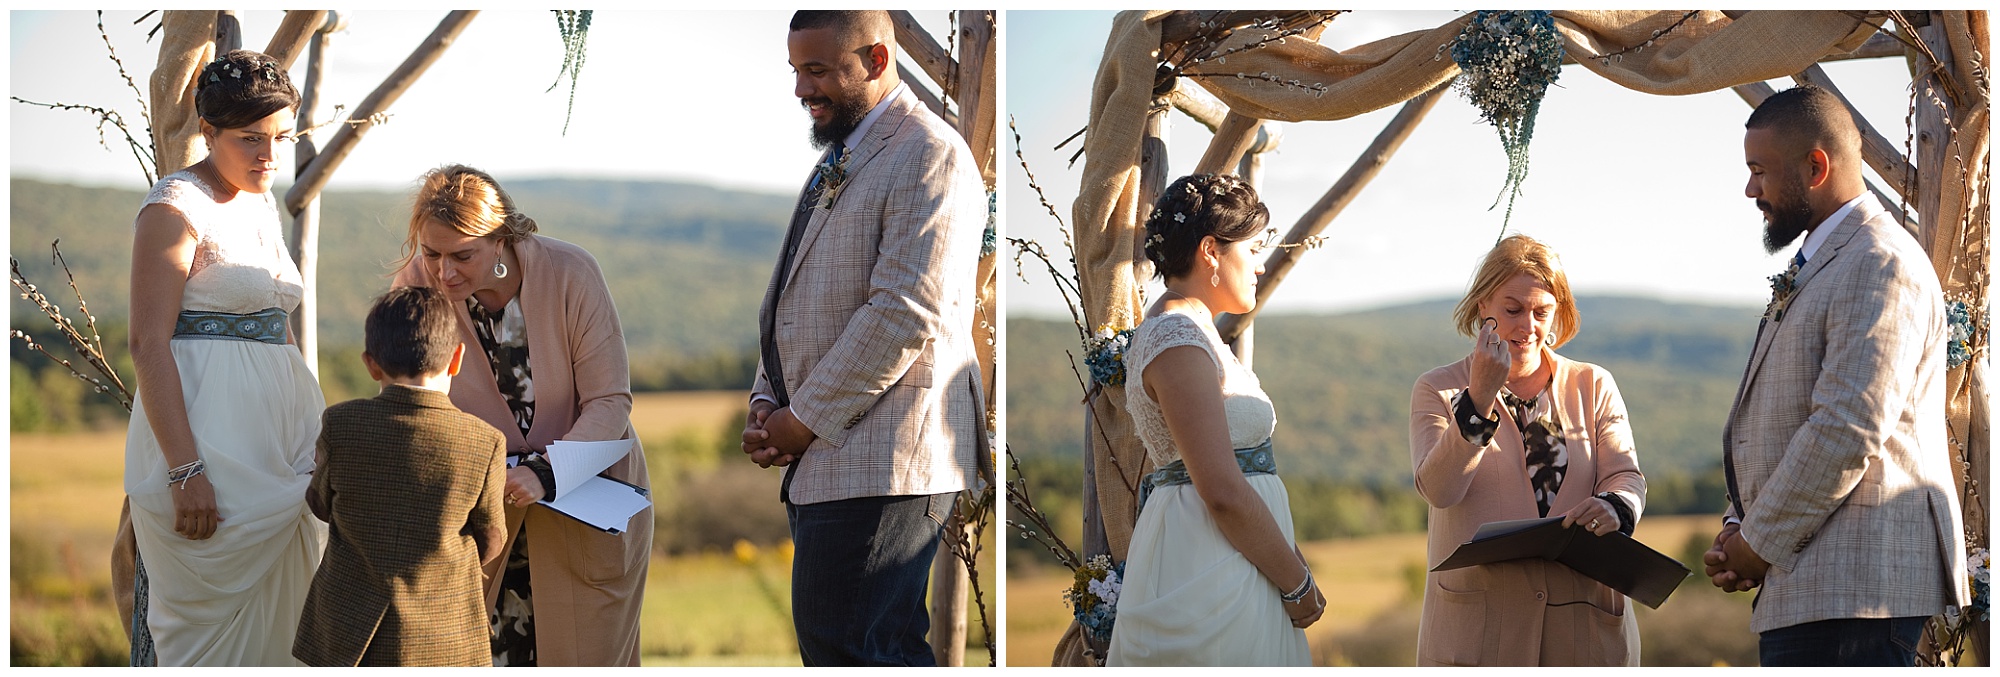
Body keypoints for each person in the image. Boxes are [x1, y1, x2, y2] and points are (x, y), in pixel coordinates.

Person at [737, 10, 986, 666]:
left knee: (845, 648)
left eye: (817, 70)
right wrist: (766, 401)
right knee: (883, 649)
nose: (800, 89)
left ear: (877, 61)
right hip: (834, 457)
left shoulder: (930, 155)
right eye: (796, 70)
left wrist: (802, 419)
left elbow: (904, 312)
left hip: (887, 458)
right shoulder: (845, 156)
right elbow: (796, 294)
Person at [1704, 84, 1968, 666]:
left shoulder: (1879, 262)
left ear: (1815, 166)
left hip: (1858, 594)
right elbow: (1780, 418)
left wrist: (1757, 543)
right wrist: (1736, 523)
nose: (1751, 190)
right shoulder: (1827, 261)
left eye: (1759, 171)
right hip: (1817, 590)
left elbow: (1848, 425)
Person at [392, 165, 651, 666]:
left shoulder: (572, 271)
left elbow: (610, 403)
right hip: (478, 516)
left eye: (462, 255)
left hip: (588, 497)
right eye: (432, 253)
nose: (443, 273)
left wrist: (545, 473)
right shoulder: (415, 285)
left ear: (501, 237)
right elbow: (411, 404)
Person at [123, 49, 326, 666]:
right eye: (250, 139)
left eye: (280, 138)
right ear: (207, 132)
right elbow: (146, 343)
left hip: (282, 442)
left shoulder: (259, 201)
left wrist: (314, 434)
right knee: (209, 640)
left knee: (293, 618)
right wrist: (186, 470)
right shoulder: (175, 208)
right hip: (209, 443)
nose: (269, 156)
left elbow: (278, 328)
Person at [1106, 173, 1322, 666]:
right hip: (1208, 568)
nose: (1261, 266)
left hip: (1243, 562)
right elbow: (1222, 490)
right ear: (1210, 251)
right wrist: (1297, 584)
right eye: (1253, 249)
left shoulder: (1196, 331)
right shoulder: (1177, 340)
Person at [1408, 234, 1646, 666]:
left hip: (1583, 632)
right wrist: (1477, 400)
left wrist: (1616, 506)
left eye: (1542, 312)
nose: (1528, 327)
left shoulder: (1593, 385)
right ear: (1484, 306)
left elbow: (1625, 475)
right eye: (1513, 310)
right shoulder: (1437, 389)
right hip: (1480, 636)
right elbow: (1440, 491)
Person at [293, 286, 507, 666]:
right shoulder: (485, 441)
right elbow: (490, 538)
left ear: (371, 364)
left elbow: (321, 504)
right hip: (443, 630)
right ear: (456, 359)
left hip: (347, 629)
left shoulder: (341, 423)